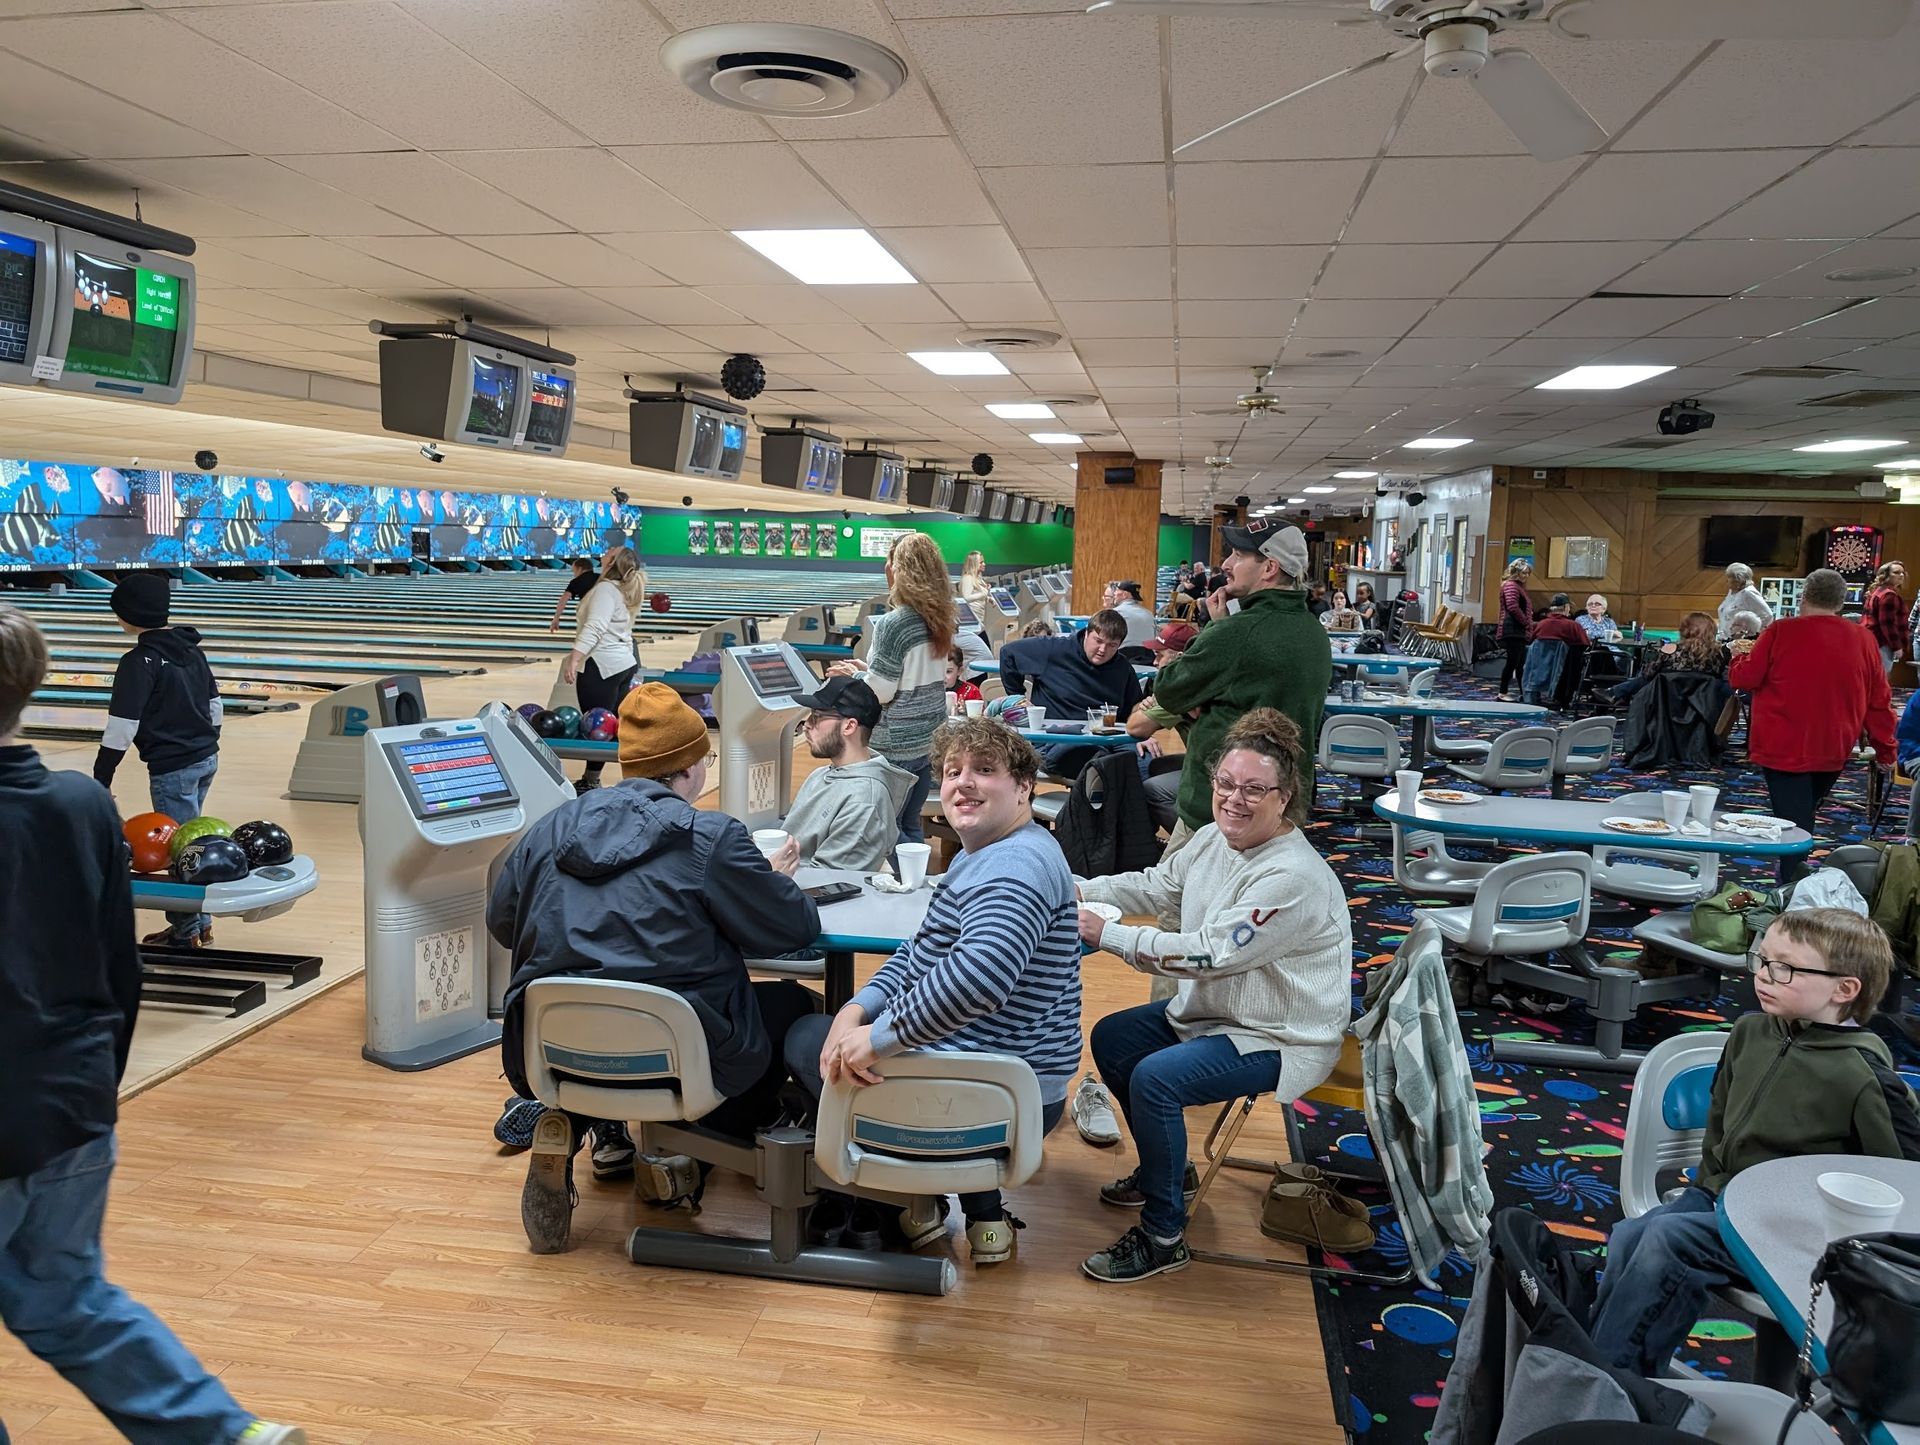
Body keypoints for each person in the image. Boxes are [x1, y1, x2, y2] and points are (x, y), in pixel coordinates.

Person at [0, 606, 306, 1445]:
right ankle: (227, 1434)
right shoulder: (81, 806)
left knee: (65, 1299)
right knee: (68, 1299)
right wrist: (103, 1083)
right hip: (74, 1101)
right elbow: (118, 962)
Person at [491, 682, 821, 1254]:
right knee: (794, 1005)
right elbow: (796, 928)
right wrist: (772, 881)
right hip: (679, 1056)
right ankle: (682, 1149)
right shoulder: (711, 837)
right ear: (691, 768)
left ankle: (568, 1116)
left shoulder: (547, 829)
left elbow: (503, 922)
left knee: (606, 1015)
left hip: (556, 1052)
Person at [784, 718, 1081, 1264]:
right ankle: (975, 1213)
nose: (963, 782)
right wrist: (856, 1009)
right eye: (953, 771)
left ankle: (897, 1191)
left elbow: (978, 979)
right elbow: (921, 954)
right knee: (833, 1027)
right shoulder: (985, 853)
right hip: (1003, 1082)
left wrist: (877, 1040)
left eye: (985, 771)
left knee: (804, 1035)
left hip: (995, 1102)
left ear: (1024, 787)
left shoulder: (1015, 866)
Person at [1075, 710, 1353, 1283]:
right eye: (1227, 784)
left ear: (1285, 796)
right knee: (1114, 1038)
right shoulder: (1211, 839)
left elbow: (1208, 954)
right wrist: (1074, 887)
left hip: (1282, 1034)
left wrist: (1111, 935)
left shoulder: (1291, 876)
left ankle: (1163, 1235)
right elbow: (1155, 885)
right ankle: (1169, 1172)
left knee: (1156, 1079)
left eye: (1254, 789)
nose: (1235, 799)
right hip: (1221, 1012)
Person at [1590, 909, 1920, 1376]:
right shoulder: (1750, 1031)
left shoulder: (1865, 1078)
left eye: (1785, 968)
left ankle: (1609, 1382)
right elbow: (1719, 1120)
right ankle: (1592, 1360)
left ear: (1844, 990)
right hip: (1722, 1199)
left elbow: (1902, 1180)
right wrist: (1706, 1187)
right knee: (1629, 1234)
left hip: (1796, 1234)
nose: (1764, 976)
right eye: (1762, 961)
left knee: (1668, 1238)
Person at [92, 571, 222, 949]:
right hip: (204, 758)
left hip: (174, 767)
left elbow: (122, 725)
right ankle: (200, 924)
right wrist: (205, 742)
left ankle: (187, 932)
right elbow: (215, 707)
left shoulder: (139, 661)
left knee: (178, 850)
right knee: (191, 841)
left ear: (128, 615)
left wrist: (102, 775)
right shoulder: (191, 650)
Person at [1728, 568, 1894, 854]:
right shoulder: (1864, 639)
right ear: (1841, 603)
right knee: (1802, 816)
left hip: (1781, 743)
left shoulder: (1781, 630)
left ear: (1804, 597)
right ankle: (1799, 884)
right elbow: (1879, 701)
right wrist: (1886, 750)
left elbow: (1745, 679)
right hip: (1834, 743)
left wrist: (1738, 657)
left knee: (1794, 824)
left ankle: (1796, 886)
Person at [826, 533, 953, 845]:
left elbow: (880, 693)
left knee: (887, 830)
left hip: (895, 744)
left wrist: (853, 678)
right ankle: (914, 888)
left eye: (891, 560)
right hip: (927, 739)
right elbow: (914, 676)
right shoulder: (940, 619)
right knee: (910, 825)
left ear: (901, 571)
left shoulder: (894, 624)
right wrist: (867, 670)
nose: (885, 566)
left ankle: (899, 890)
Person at [782, 676, 918, 874]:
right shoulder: (822, 774)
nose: (807, 725)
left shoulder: (865, 802)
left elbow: (827, 882)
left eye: (818, 716)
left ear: (849, 726)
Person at [999, 609, 1147, 779]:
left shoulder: (1122, 667)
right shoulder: (1053, 649)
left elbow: (1135, 704)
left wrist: (1142, 735)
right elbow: (1008, 653)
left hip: (1107, 738)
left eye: (1112, 645)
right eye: (1098, 641)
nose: (1102, 649)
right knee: (1102, 765)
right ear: (1086, 634)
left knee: (1145, 761)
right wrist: (1018, 698)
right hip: (1060, 741)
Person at [563, 545, 642, 793]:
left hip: (602, 666)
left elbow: (595, 627)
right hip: (621, 664)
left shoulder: (606, 590)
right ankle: (630, 778)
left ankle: (593, 781)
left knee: (597, 727)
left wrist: (574, 659)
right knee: (615, 727)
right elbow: (626, 632)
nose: (606, 550)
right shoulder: (619, 589)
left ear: (612, 562)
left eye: (611, 551)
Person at [1609, 610, 1726, 705]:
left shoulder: (1671, 649)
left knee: (1645, 678)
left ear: (1685, 629)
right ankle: (1617, 693)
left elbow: (1648, 674)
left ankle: (1615, 693)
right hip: (1705, 707)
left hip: (1666, 706)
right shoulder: (1720, 653)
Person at [1497, 559, 1535, 698]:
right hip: (1513, 630)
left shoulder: (1516, 586)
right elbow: (1513, 607)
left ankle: (1523, 692)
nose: (1526, 576)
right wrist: (1525, 622)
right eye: (1523, 573)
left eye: (1527, 573)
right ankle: (1503, 692)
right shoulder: (1511, 586)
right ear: (1516, 572)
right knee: (1513, 663)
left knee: (1518, 663)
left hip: (1516, 629)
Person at [1863, 560, 1908, 675]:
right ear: (1885, 575)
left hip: (1871, 640)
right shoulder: (1888, 595)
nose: (1901, 575)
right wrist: (1897, 647)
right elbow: (1887, 624)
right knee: (1880, 678)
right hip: (1883, 643)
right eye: (1896, 572)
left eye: (1902, 572)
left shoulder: (1877, 591)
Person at [1718, 562, 1773, 640]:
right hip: (1724, 638)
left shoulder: (1749, 593)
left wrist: (1751, 634)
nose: (1726, 580)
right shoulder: (1733, 592)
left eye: (1729, 577)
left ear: (1738, 579)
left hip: (1738, 641)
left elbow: (1767, 615)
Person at [547, 557, 596, 632]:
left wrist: (556, 618)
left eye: (574, 571)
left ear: (580, 569)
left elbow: (564, 599)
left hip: (588, 615)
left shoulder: (576, 581)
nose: (574, 574)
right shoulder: (601, 577)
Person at [1108, 580, 1158, 646]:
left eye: (1117, 590)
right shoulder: (1149, 614)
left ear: (1125, 595)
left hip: (1123, 654)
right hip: (1148, 655)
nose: (1114, 593)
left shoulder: (1115, 613)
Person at [956, 549, 990, 615]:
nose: (984, 564)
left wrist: (988, 598)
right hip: (971, 617)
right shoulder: (968, 578)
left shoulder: (978, 578)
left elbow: (976, 595)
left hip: (979, 615)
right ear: (974, 564)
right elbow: (966, 598)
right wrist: (983, 594)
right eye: (981, 562)